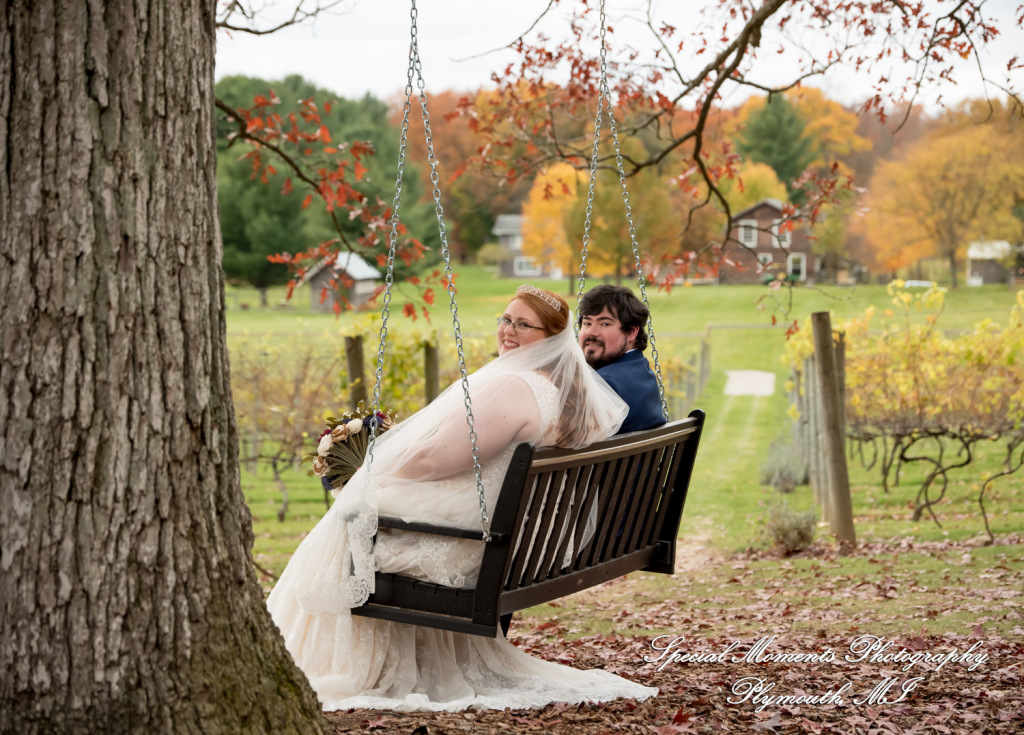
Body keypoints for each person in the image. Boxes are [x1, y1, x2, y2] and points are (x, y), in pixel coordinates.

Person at [266, 284, 658, 711]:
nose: (508, 330)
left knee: (352, 513)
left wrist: (370, 471)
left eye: (523, 324)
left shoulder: (518, 388)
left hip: (486, 541)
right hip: (524, 537)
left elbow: (438, 459)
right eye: (505, 320)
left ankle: (326, 660)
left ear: (549, 338)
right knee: (366, 503)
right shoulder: (563, 391)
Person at [578, 284, 666, 434]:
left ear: (632, 332)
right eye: (587, 323)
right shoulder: (643, 372)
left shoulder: (605, 383)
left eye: (604, 324)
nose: (591, 332)